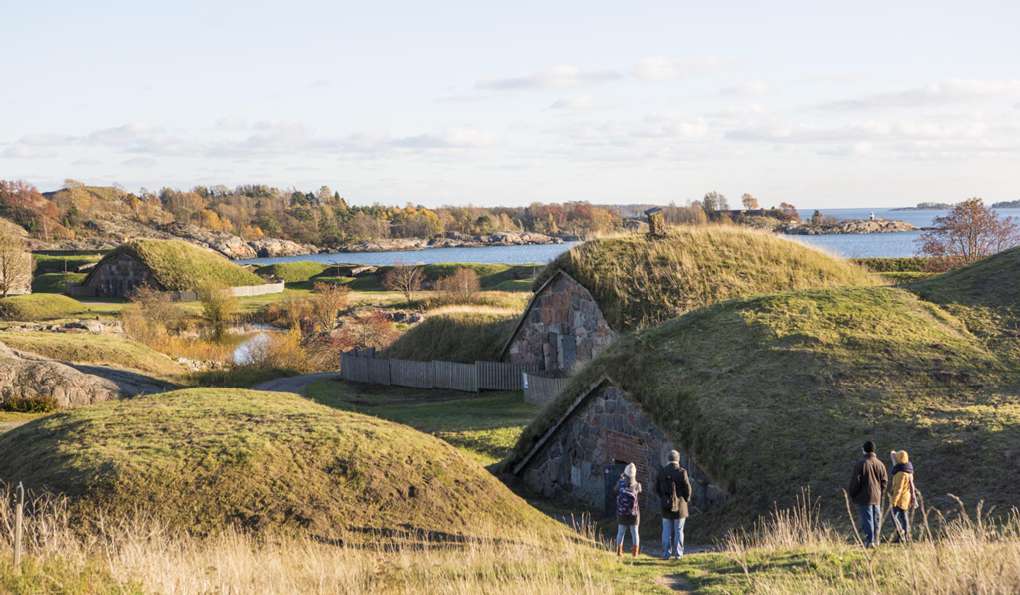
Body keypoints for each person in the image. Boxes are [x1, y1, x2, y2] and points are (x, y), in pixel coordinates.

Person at [847, 440, 888, 548]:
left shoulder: (861, 464)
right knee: (876, 519)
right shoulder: (880, 464)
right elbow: (885, 481)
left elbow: (855, 481)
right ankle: (876, 540)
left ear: (864, 450)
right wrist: (881, 492)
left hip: (864, 497)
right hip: (877, 497)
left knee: (867, 520)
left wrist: (852, 493)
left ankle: (870, 541)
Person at [656, 450, 692, 560]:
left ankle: (666, 554)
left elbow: (656, 488)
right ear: (678, 459)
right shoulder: (682, 472)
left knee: (666, 531)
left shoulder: (662, 472)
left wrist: (663, 498)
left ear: (668, 459)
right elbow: (688, 488)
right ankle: (678, 554)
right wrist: (686, 499)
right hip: (680, 505)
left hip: (666, 505)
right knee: (679, 530)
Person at [888, 450, 917, 543]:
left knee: (893, 516)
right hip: (906, 498)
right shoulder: (908, 470)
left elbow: (898, 489)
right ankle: (906, 536)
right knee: (904, 517)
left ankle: (901, 533)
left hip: (899, 499)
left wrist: (894, 501)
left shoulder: (900, 473)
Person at [615, 463, 642, 557]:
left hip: (622, 512)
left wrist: (621, 479)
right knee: (635, 533)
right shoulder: (637, 485)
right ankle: (635, 554)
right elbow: (640, 492)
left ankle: (619, 552)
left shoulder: (620, 483)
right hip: (634, 514)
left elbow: (615, 490)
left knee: (620, 533)